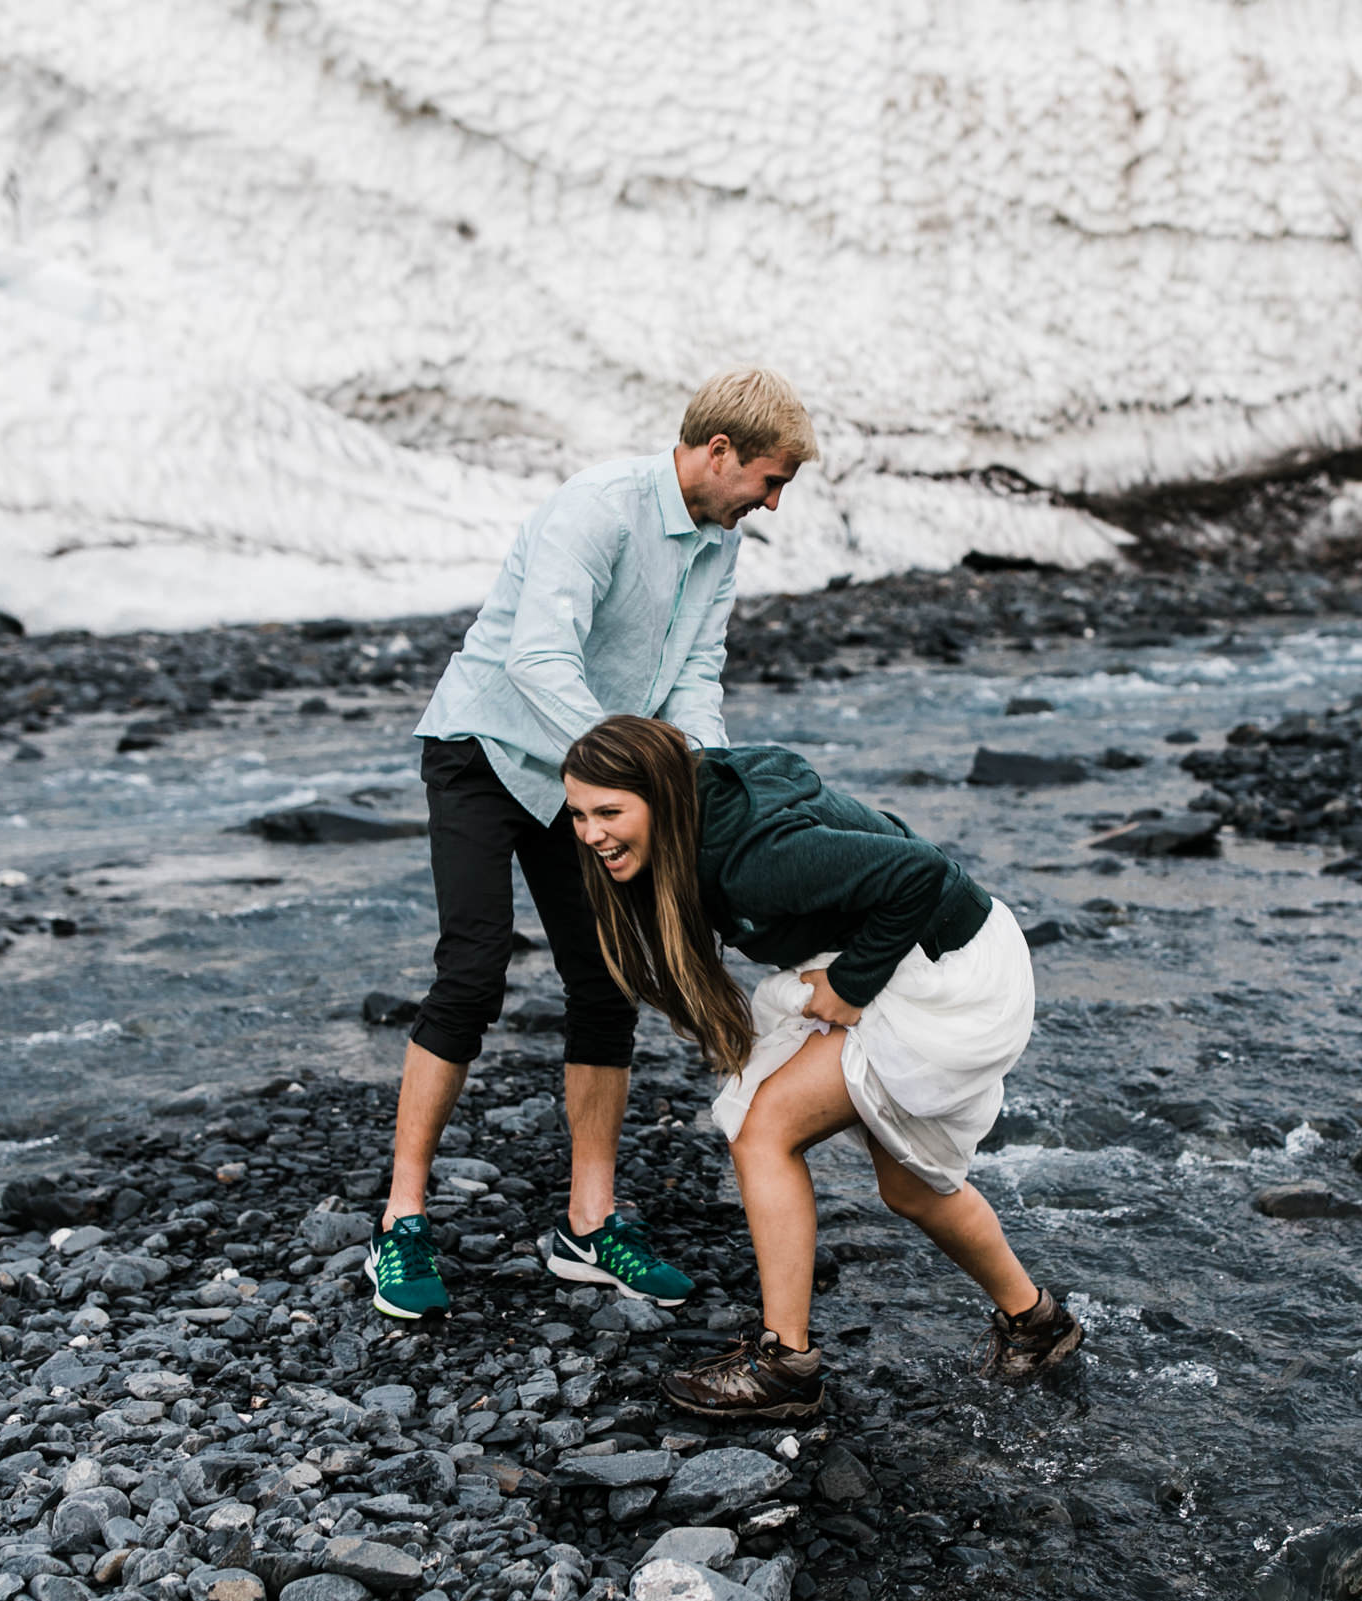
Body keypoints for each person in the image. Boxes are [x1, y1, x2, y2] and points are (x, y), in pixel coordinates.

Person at [363, 370, 819, 1322]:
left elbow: (695, 674)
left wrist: (706, 774)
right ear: (717, 452)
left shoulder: (718, 546)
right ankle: (400, 1220)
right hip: (486, 749)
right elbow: (537, 657)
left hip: (593, 771)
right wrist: (627, 767)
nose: (773, 503)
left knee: (608, 979)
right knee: (473, 969)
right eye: (769, 480)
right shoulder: (598, 511)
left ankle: (589, 1223)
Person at [560, 714, 1083, 1419]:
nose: (591, 834)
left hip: (945, 973)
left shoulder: (754, 857)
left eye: (609, 812)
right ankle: (1039, 1323)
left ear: (661, 794)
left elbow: (921, 872)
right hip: (906, 949)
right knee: (911, 1187)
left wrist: (852, 982)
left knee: (764, 1128)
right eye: (578, 814)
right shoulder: (699, 806)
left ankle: (786, 1364)